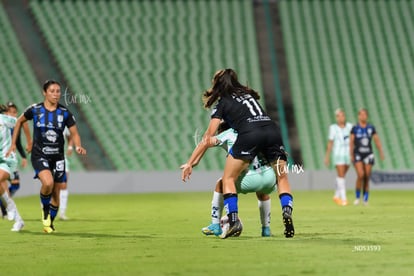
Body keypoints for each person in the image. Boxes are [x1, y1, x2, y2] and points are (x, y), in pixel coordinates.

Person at [181, 69, 294, 239]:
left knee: (227, 179)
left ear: (218, 83)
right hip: (271, 128)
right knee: (282, 178)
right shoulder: (248, 95)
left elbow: (208, 137)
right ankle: (286, 209)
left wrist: (190, 162)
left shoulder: (223, 103)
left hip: (250, 133)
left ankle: (233, 220)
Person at [6, 80, 86, 233]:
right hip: (39, 154)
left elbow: (74, 133)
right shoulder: (35, 110)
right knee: (48, 183)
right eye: (52, 91)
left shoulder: (65, 112)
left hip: (58, 157)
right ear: (45, 92)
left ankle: (49, 223)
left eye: (58, 91)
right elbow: (19, 121)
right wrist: (14, 144)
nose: (56, 94)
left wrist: (78, 145)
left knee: (56, 193)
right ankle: (45, 210)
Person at [198, 122, 276, 237]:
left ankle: (215, 224)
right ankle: (266, 229)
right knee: (262, 193)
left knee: (222, 183)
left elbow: (207, 142)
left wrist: (192, 161)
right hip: (266, 176)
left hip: (249, 178)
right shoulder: (253, 133)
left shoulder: (228, 134)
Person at [0, 102, 32, 217]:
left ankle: (5, 208)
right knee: (7, 183)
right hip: (5, 159)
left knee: (14, 184)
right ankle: (7, 209)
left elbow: (17, 142)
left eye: (14, 112)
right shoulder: (5, 123)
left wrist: (24, 156)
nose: (12, 114)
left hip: (8, 158)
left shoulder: (12, 124)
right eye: (10, 112)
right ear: (6, 113)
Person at [349, 108, 384, 205]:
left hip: (368, 154)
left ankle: (365, 198)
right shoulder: (355, 128)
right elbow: (351, 142)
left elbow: (376, 140)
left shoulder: (371, 128)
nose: (363, 116)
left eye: (365, 114)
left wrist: (380, 151)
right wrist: (351, 154)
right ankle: (357, 197)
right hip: (358, 154)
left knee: (367, 176)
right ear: (358, 116)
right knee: (360, 174)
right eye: (361, 114)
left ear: (367, 116)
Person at [0, 104, 25, 231]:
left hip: (7, 159)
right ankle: (18, 220)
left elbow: (22, 120)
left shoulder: (4, 119)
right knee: (3, 191)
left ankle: (8, 208)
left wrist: (14, 143)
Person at [324, 108, 353, 206]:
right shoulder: (333, 128)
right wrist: (327, 156)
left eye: (343, 115)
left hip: (348, 155)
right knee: (341, 176)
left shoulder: (349, 127)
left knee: (342, 176)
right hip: (338, 154)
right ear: (336, 118)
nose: (341, 118)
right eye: (339, 116)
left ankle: (336, 196)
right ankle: (344, 199)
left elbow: (353, 140)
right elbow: (330, 142)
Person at [58, 127, 73, 220]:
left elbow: (70, 137)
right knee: (49, 185)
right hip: (48, 158)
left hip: (61, 158)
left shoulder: (64, 124)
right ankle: (46, 210)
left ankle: (62, 213)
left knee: (64, 185)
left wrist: (70, 147)